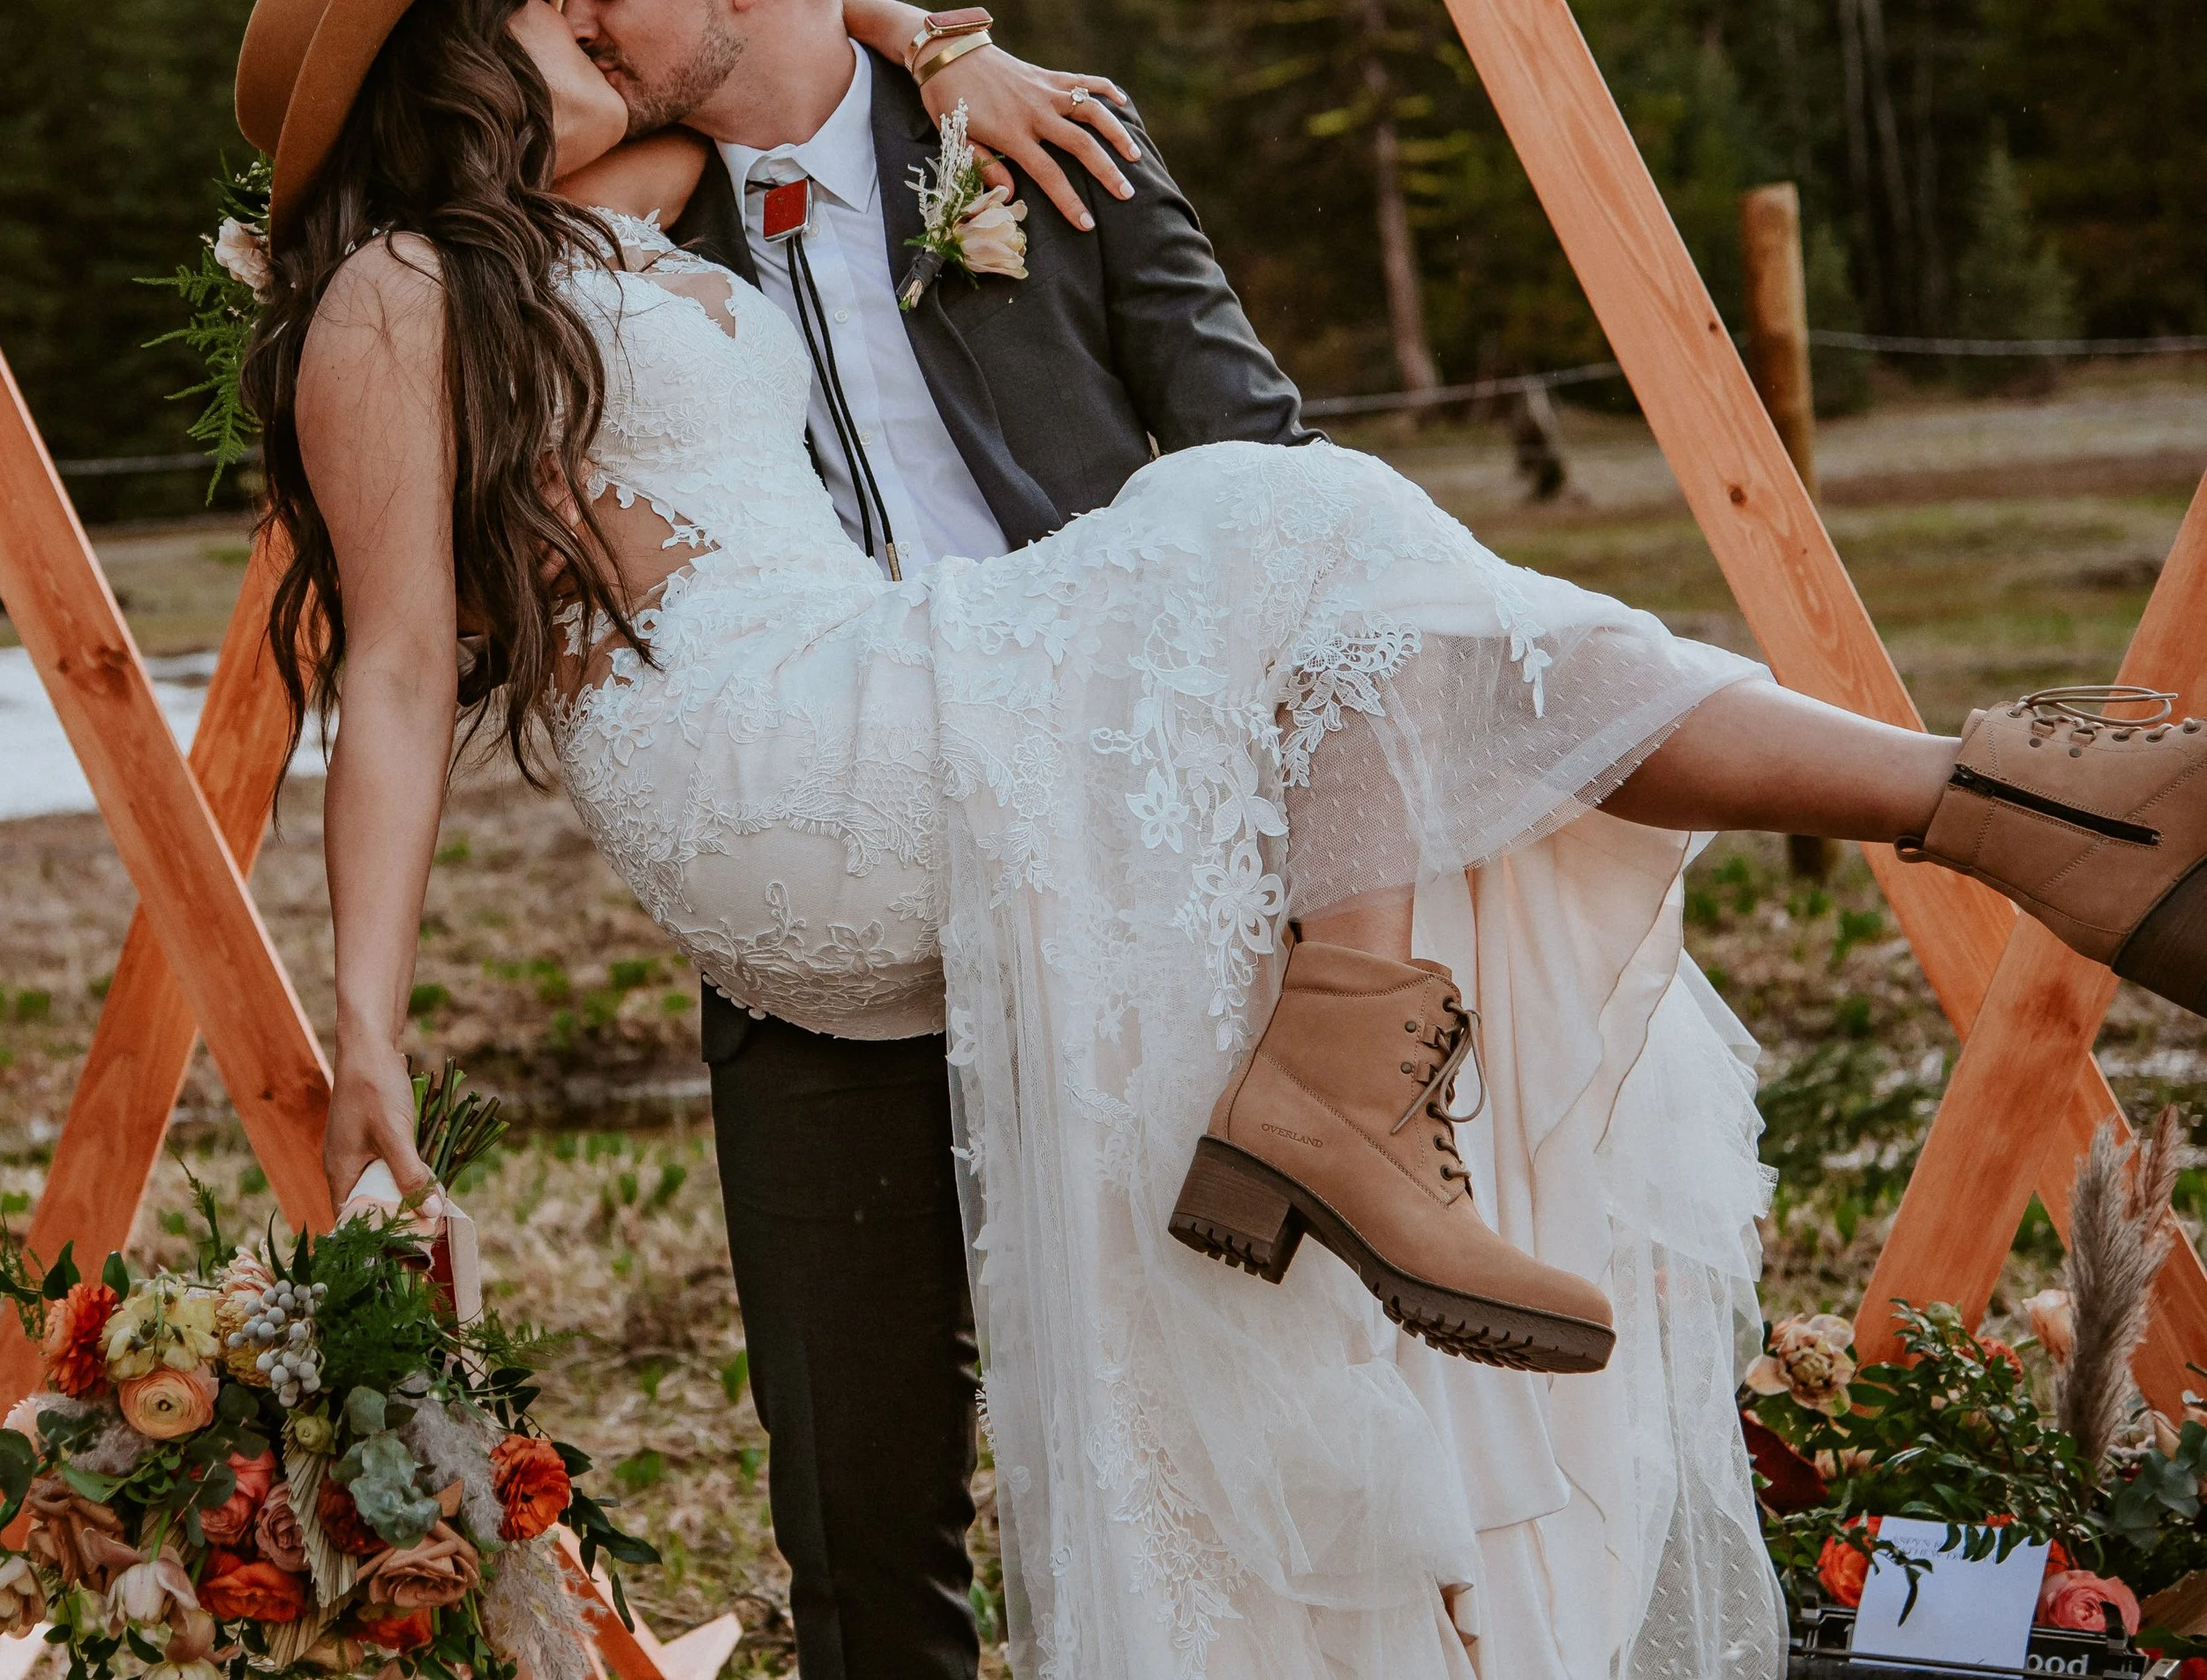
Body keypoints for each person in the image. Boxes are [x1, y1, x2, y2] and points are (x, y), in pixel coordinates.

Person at [233, 0, 2207, 1675]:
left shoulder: (985, 150)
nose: (585, 10)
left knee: (1314, 544)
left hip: (1121, 800)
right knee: (862, 1526)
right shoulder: (439, 281)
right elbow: (394, 673)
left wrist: (933, 52)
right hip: (838, 810)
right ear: (448, 71)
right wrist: (369, 1029)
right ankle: (1992, 795)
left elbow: (1191, 389)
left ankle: (1909, 843)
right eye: (544, 6)